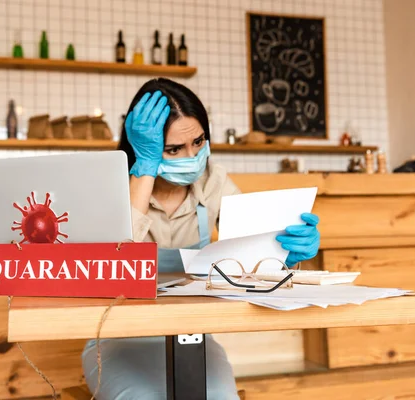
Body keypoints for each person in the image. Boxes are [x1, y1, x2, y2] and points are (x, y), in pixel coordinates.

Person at [82, 78, 320, 399]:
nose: (191, 156)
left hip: (192, 337)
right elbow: (112, 263)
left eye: (198, 142)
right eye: (174, 149)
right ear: (143, 146)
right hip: (116, 339)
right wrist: (145, 171)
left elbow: (250, 250)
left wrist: (285, 253)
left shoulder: (213, 182)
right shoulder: (111, 185)